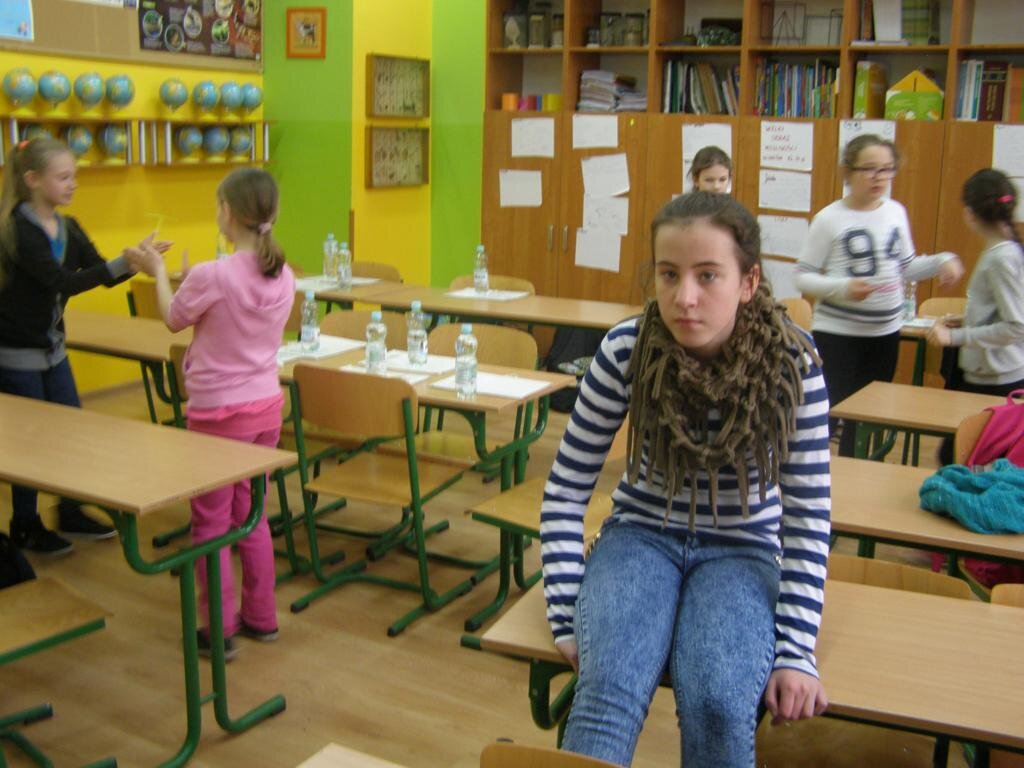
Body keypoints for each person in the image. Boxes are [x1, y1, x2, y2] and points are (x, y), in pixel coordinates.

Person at [540, 191, 831, 768]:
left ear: (749, 282)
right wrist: (565, 605)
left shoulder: (792, 365)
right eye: (669, 274)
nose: (685, 297)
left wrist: (797, 650)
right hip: (640, 538)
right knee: (606, 691)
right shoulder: (627, 351)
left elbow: (808, 517)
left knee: (719, 704)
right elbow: (566, 489)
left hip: (742, 551)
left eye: (708, 275)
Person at [134, 168, 294, 659]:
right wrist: (191, 284)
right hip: (266, 407)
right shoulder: (283, 273)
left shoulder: (213, 275)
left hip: (219, 413)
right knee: (252, 513)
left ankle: (219, 628)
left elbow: (172, 318)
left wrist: (159, 274)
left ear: (227, 213)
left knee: (210, 523)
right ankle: (262, 616)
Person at [0, 136, 167, 555]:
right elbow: (62, 283)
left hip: (52, 352)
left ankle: (70, 509)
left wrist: (134, 261)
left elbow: (101, 273)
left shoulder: (68, 227)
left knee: (71, 433)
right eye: (63, 177)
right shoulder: (17, 230)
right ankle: (25, 523)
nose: (73, 184)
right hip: (17, 357)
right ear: (33, 180)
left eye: (74, 176)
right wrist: (123, 262)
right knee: (30, 442)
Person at [794, 133, 964, 456]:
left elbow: (907, 267)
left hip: (884, 334)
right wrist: (843, 288)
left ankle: (855, 473)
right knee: (827, 414)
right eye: (869, 169)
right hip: (838, 336)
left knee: (865, 418)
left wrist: (942, 261)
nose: (879, 177)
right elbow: (802, 276)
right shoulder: (829, 218)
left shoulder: (896, 211)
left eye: (887, 169)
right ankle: (816, 475)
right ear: (848, 172)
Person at [927, 169, 1024, 466]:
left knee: (958, 457)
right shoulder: (1002, 250)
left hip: (996, 378)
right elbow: (1000, 311)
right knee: (957, 457)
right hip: (988, 373)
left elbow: (1016, 326)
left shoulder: (1001, 257)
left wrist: (955, 336)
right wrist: (966, 319)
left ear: (970, 213)